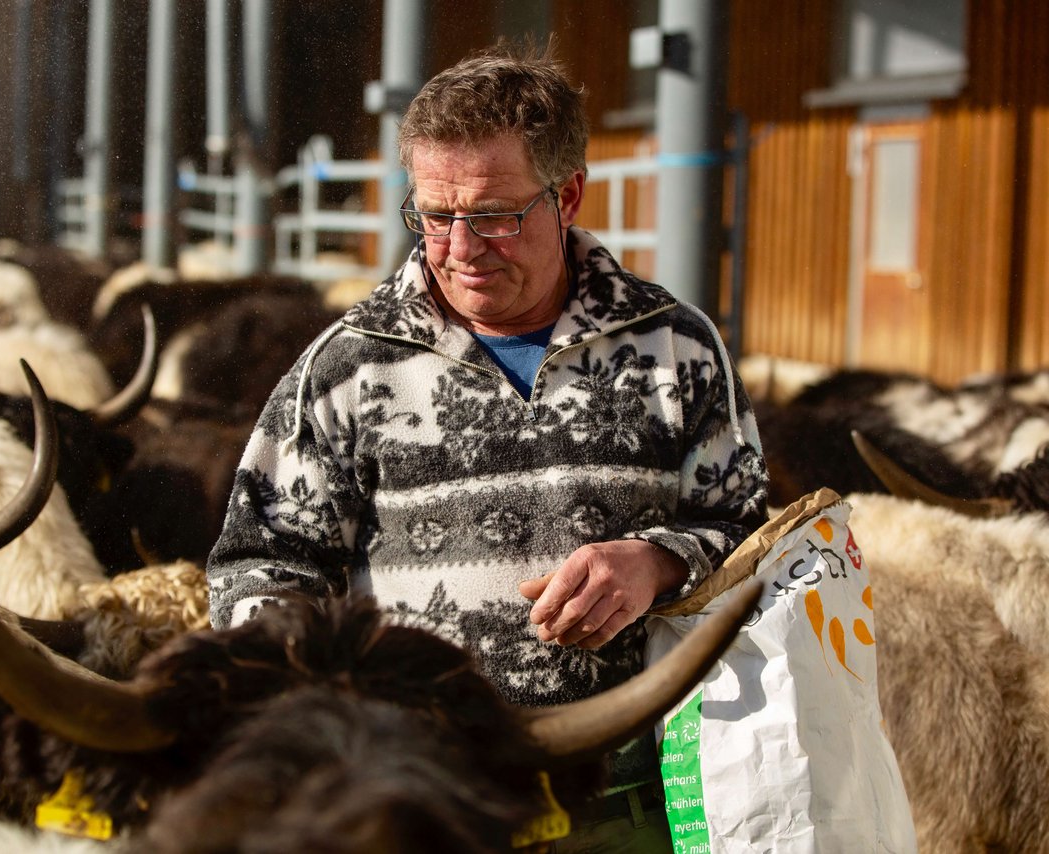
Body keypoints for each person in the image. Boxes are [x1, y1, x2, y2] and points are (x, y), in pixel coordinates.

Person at [206, 39, 769, 852]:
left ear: (567, 195)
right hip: (414, 807)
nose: (461, 250)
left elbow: (753, 532)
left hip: (625, 805)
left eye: (494, 217)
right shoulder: (349, 363)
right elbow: (257, 564)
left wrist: (658, 562)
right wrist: (320, 703)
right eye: (436, 217)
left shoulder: (673, 344)